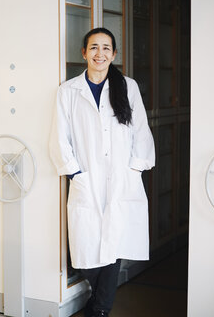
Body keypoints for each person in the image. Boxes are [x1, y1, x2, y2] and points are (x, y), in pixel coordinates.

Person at [49, 28, 155, 317]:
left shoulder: (128, 87)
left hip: (122, 178)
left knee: (114, 243)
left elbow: (141, 132)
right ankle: (99, 300)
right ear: (83, 53)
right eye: (94, 47)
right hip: (87, 178)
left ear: (114, 54)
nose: (100, 53)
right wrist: (75, 174)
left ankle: (100, 310)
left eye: (106, 48)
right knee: (84, 249)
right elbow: (60, 137)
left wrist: (134, 169)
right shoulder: (69, 90)